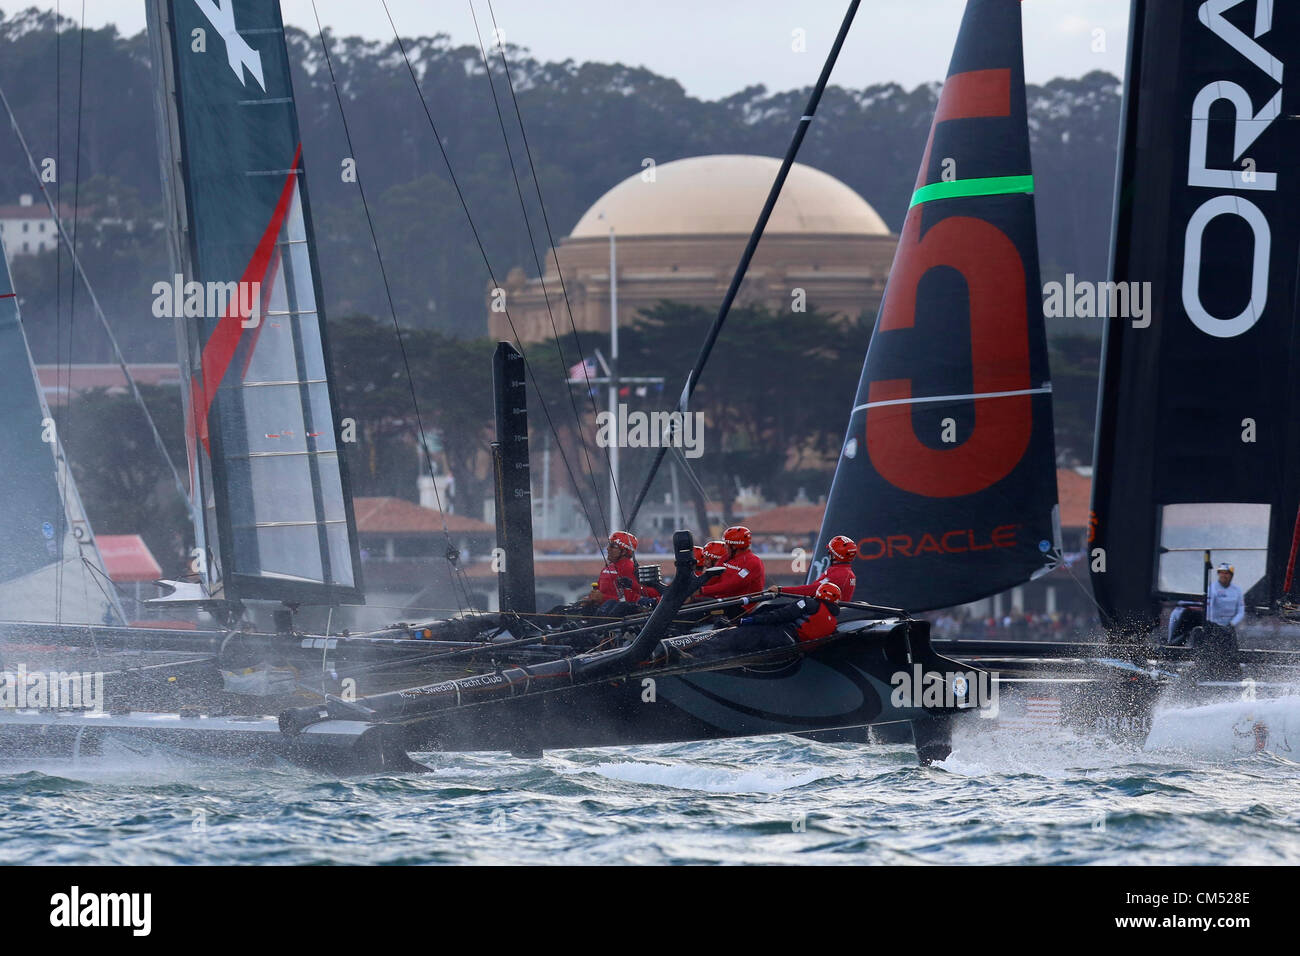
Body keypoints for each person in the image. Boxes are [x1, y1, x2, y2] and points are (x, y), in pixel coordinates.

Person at [738, 580, 842, 642]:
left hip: (783, 637)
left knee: (762, 616)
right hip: (796, 646)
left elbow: (781, 615)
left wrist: (751, 620)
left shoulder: (810, 603)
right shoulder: (833, 623)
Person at [768, 534, 857, 602]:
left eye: (830, 552)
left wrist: (781, 590)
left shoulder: (839, 574)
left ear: (834, 555)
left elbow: (812, 590)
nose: (828, 553)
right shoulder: (846, 573)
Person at [693, 525, 765, 600]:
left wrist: (702, 591)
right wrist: (694, 586)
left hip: (740, 605)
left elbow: (731, 585)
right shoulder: (726, 557)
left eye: (726, 544)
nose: (725, 547)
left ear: (734, 546)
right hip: (723, 600)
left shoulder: (753, 562)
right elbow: (712, 578)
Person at [596, 530, 644, 614]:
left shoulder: (629, 568)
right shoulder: (608, 567)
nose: (607, 549)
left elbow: (629, 600)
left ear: (624, 551)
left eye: (612, 546)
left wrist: (602, 598)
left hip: (618, 617)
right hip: (603, 611)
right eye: (608, 545)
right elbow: (598, 591)